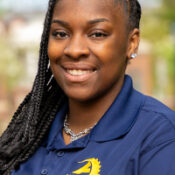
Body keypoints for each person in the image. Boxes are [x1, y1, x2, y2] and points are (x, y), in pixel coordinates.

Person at [0, 0, 175, 174]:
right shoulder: (28, 133)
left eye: (97, 34)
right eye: (61, 34)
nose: (74, 50)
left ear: (132, 43)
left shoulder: (161, 137)